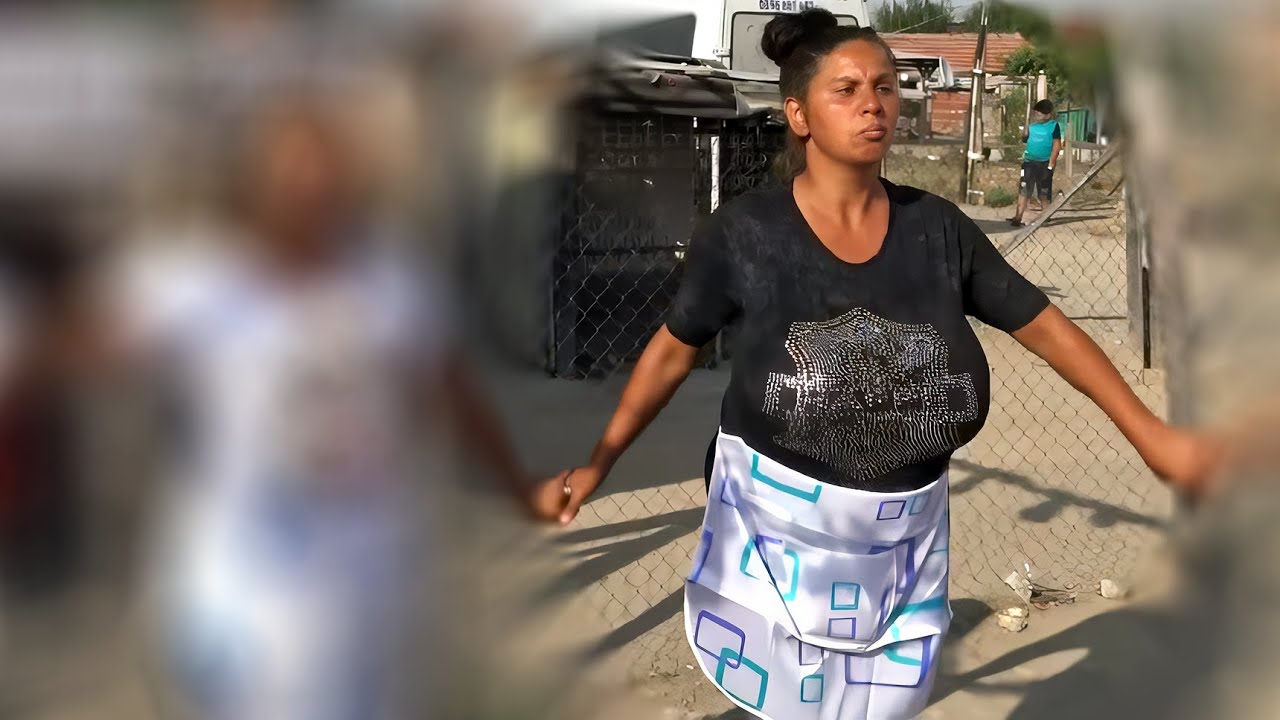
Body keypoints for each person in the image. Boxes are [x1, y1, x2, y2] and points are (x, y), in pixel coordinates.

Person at [529, 10, 1218, 720]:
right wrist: (599, 464)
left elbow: (1048, 329)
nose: (873, 103)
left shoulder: (939, 229)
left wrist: (1149, 433)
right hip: (772, 533)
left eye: (885, 86)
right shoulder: (746, 235)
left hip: (903, 543)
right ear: (797, 113)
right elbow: (672, 351)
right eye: (847, 88)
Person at [105, 97, 532, 720]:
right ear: (252, 186)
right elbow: (70, 347)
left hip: (363, 579)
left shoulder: (391, 284)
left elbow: (450, 391)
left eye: (325, 176)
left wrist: (520, 487)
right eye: (289, 177)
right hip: (239, 585)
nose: (308, 194)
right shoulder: (196, 284)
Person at [1009, 99, 1062, 227]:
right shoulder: (1032, 126)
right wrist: (1026, 127)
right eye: (1036, 112)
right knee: (1024, 189)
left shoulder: (1054, 126)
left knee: (1044, 191)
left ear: (1048, 115)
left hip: (1044, 163)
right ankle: (1018, 217)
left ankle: (1045, 217)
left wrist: (1051, 163)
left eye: (1040, 113)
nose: (1037, 114)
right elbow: (1024, 139)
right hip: (1029, 163)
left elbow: (1056, 145)